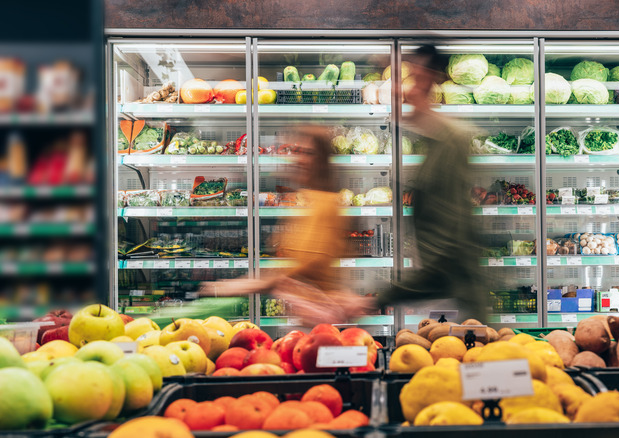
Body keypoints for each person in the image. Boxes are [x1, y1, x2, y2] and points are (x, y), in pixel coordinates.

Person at [202, 126, 370, 325]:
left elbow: (301, 267)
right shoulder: (308, 201)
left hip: (324, 323)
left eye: (308, 153)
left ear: (322, 161)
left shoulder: (325, 205)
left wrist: (245, 285)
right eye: (295, 151)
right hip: (311, 320)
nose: (298, 159)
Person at [377, 45, 488, 322]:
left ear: (429, 82)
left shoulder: (450, 141)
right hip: (443, 296)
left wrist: (383, 297)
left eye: (412, 78)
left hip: (462, 303)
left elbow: (446, 244)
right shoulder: (433, 139)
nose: (403, 89)